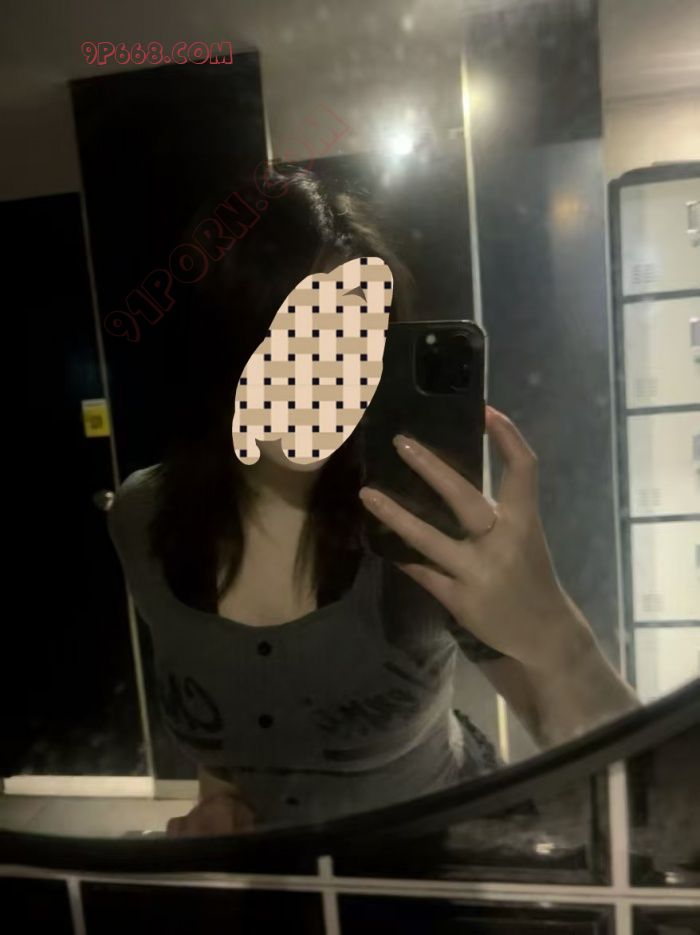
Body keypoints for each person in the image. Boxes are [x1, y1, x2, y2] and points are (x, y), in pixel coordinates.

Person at [107, 166, 639, 838]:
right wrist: (222, 799)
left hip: (440, 866)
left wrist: (558, 637)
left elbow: (662, 824)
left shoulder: (420, 523)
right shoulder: (142, 519)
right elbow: (223, 723)